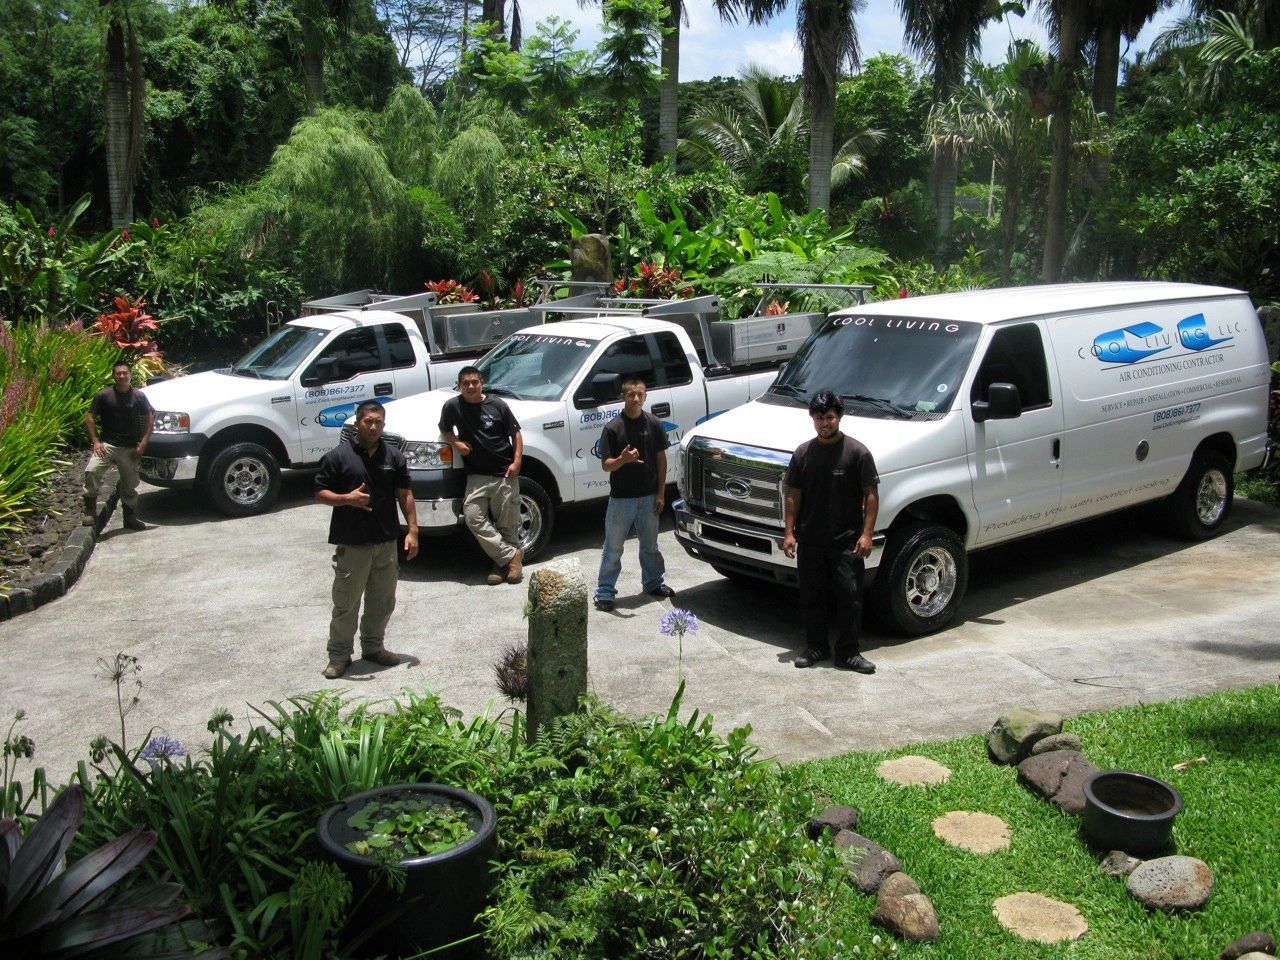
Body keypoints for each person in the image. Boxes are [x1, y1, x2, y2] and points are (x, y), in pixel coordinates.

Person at [315, 400, 418, 680]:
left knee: (383, 600)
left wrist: (412, 530)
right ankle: (338, 656)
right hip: (353, 542)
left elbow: (404, 493)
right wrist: (347, 499)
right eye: (368, 421)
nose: (374, 427)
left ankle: (373, 647)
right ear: (357, 423)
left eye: (379, 422)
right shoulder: (338, 456)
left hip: (385, 541)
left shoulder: (394, 456)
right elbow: (320, 493)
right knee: (346, 603)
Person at [782, 389, 879, 674]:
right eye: (819, 418)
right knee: (811, 596)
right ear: (812, 419)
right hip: (810, 539)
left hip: (846, 541)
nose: (824, 423)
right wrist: (789, 532)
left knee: (849, 596)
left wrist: (867, 534)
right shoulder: (802, 453)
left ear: (838, 417)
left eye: (829, 417)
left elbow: (871, 495)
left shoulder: (857, 453)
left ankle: (848, 652)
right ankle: (816, 646)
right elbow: (793, 494)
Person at [593, 377, 675, 611]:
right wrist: (623, 459)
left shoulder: (654, 424)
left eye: (640, 394)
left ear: (645, 396)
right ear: (623, 397)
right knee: (613, 548)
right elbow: (606, 465)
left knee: (650, 546)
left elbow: (661, 459)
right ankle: (605, 592)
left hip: (649, 497)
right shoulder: (612, 428)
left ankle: (653, 583)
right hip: (621, 500)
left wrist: (660, 493)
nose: (636, 398)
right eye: (631, 395)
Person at [440, 365, 525, 585]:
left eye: (474, 382)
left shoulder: (497, 405)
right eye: (465, 383)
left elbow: (515, 433)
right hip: (476, 475)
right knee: (472, 516)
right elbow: (444, 428)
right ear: (459, 385)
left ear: (481, 383)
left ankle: (502, 566)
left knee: (507, 524)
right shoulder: (452, 406)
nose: (470, 386)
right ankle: (512, 557)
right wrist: (456, 443)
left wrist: (517, 462)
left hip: (503, 473)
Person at [84, 360, 154, 531]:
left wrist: (143, 442)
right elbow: (90, 416)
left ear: (130, 375)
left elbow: (150, 416)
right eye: (118, 373)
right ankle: (90, 511)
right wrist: (95, 441)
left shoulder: (138, 396)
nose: (122, 376)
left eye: (125, 373)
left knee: (130, 484)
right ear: (114, 376)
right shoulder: (104, 395)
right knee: (92, 470)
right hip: (108, 445)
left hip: (130, 447)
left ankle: (129, 517)